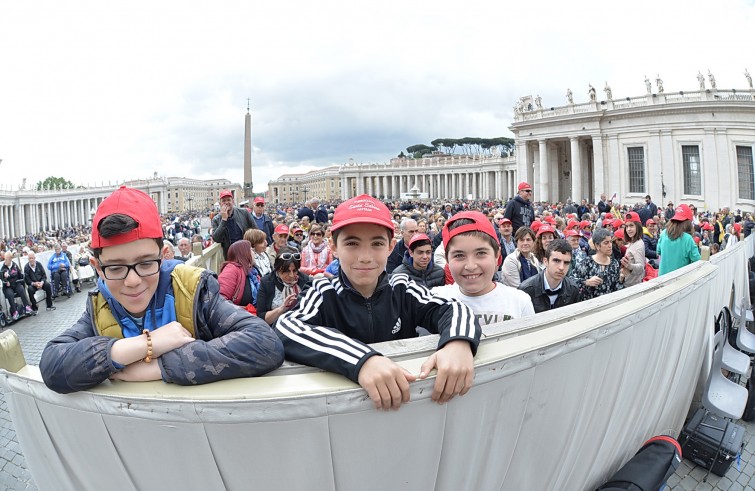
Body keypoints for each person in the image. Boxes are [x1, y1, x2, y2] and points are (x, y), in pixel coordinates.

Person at [39, 186, 284, 394]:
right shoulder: (99, 305)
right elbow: (52, 364)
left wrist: (157, 367)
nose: (133, 281)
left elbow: (265, 343)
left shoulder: (194, 292)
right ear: (97, 268)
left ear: (163, 256)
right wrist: (146, 345)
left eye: (146, 263)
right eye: (115, 268)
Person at [276, 194, 481, 411]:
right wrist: (363, 360)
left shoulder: (402, 287)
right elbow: (286, 327)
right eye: (352, 243)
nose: (365, 257)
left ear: (391, 247)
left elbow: (455, 308)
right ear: (334, 247)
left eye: (377, 243)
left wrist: (458, 342)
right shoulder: (323, 292)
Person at [432, 211, 534, 325]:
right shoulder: (435, 300)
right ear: (447, 259)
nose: (471, 266)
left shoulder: (520, 302)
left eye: (480, 253)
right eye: (459, 255)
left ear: (497, 255)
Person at [519, 239, 581, 313]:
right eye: (556, 261)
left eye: (566, 263)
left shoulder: (573, 289)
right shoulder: (526, 289)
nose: (561, 267)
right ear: (546, 261)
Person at [256, 247, 311, 326]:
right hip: (276, 328)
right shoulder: (267, 282)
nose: (291, 275)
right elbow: (261, 318)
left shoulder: (305, 280)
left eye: (295, 271)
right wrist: (282, 308)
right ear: (278, 268)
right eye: (286, 271)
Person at [570, 228, 623, 301]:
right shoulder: (587, 262)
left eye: (610, 242)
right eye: (606, 243)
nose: (610, 245)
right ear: (597, 246)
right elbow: (571, 280)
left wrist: (622, 279)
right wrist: (586, 282)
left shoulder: (614, 263)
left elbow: (617, 287)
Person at [218, 239, 262, 315]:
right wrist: (244, 310)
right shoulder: (231, 269)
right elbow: (220, 299)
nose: (254, 253)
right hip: (239, 318)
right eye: (251, 250)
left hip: (253, 316)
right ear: (244, 253)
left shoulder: (253, 272)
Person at [211, 189, 257, 259]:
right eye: (223, 201)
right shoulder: (216, 219)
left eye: (228, 200)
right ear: (220, 203)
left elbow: (255, 229)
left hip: (246, 252)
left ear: (233, 201)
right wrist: (224, 220)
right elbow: (217, 239)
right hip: (230, 256)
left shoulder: (244, 212)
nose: (226, 202)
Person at [656, 204, 701, 275]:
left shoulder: (664, 233)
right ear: (688, 222)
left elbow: (658, 251)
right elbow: (697, 260)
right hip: (680, 281)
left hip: (662, 280)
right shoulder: (688, 239)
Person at [1, 252, 32, 320]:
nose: (5, 261)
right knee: (10, 294)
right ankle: (14, 311)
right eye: (5, 259)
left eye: (7, 259)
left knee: (21, 289)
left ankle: (27, 306)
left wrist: (21, 277)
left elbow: (20, 275)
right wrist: (6, 282)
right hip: (8, 287)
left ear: (10, 259)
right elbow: (2, 278)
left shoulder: (14, 266)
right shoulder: (3, 268)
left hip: (16, 284)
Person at [621, 212, 646, 287]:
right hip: (629, 284)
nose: (628, 229)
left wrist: (629, 266)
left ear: (637, 227)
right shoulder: (633, 242)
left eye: (631, 226)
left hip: (632, 287)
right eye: (627, 226)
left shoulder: (638, 245)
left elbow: (641, 268)